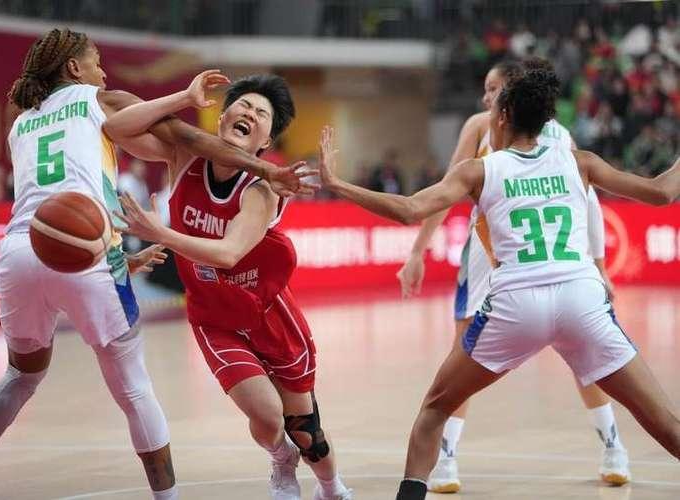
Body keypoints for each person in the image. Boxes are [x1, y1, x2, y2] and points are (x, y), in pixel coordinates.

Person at [0, 28, 312, 500]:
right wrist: (264, 165)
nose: (104, 72)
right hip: (87, 261)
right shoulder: (98, 98)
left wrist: (121, 256)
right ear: (75, 68)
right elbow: (185, 136)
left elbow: (60, 213)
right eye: (96, 62)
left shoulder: (21, 122)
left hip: (19, 253)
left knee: (21, 374)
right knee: (134, 388)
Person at [317, 68, 680, 500]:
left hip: (515, 304)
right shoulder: (578, 160)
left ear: (503, 116)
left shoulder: (480, 170)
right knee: (660, 419)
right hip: (581, 299)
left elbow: (410, 209)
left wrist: (337, 184)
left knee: (435, 409)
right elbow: (662, 193)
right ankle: (615, 449)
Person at [104, 74, 351, 500]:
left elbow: (228, 253)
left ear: (265, 141)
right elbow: (116, 125)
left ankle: (331, 488)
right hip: (215, 317)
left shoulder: (262, 189)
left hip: (267, 312)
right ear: (221, 117)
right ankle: (280, 460)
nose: (250, 113)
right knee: (267, 416)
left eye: (261, 114)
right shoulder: (183, 155)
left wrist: (161, 233)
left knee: (307, 433)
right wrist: (182, 97)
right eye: (244, 105)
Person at [395, 59, 625, 493]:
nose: (485, 97)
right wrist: (418, 251)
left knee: (581, 354)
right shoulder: (480, 126)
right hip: (488, 256)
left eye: (493, 89)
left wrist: (599, 266)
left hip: (540, 259)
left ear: (513, 95)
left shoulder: (557, 138)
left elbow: (590, 203)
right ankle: (446, 457)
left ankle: (613, 445)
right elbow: (444, 194)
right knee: (462, 353)